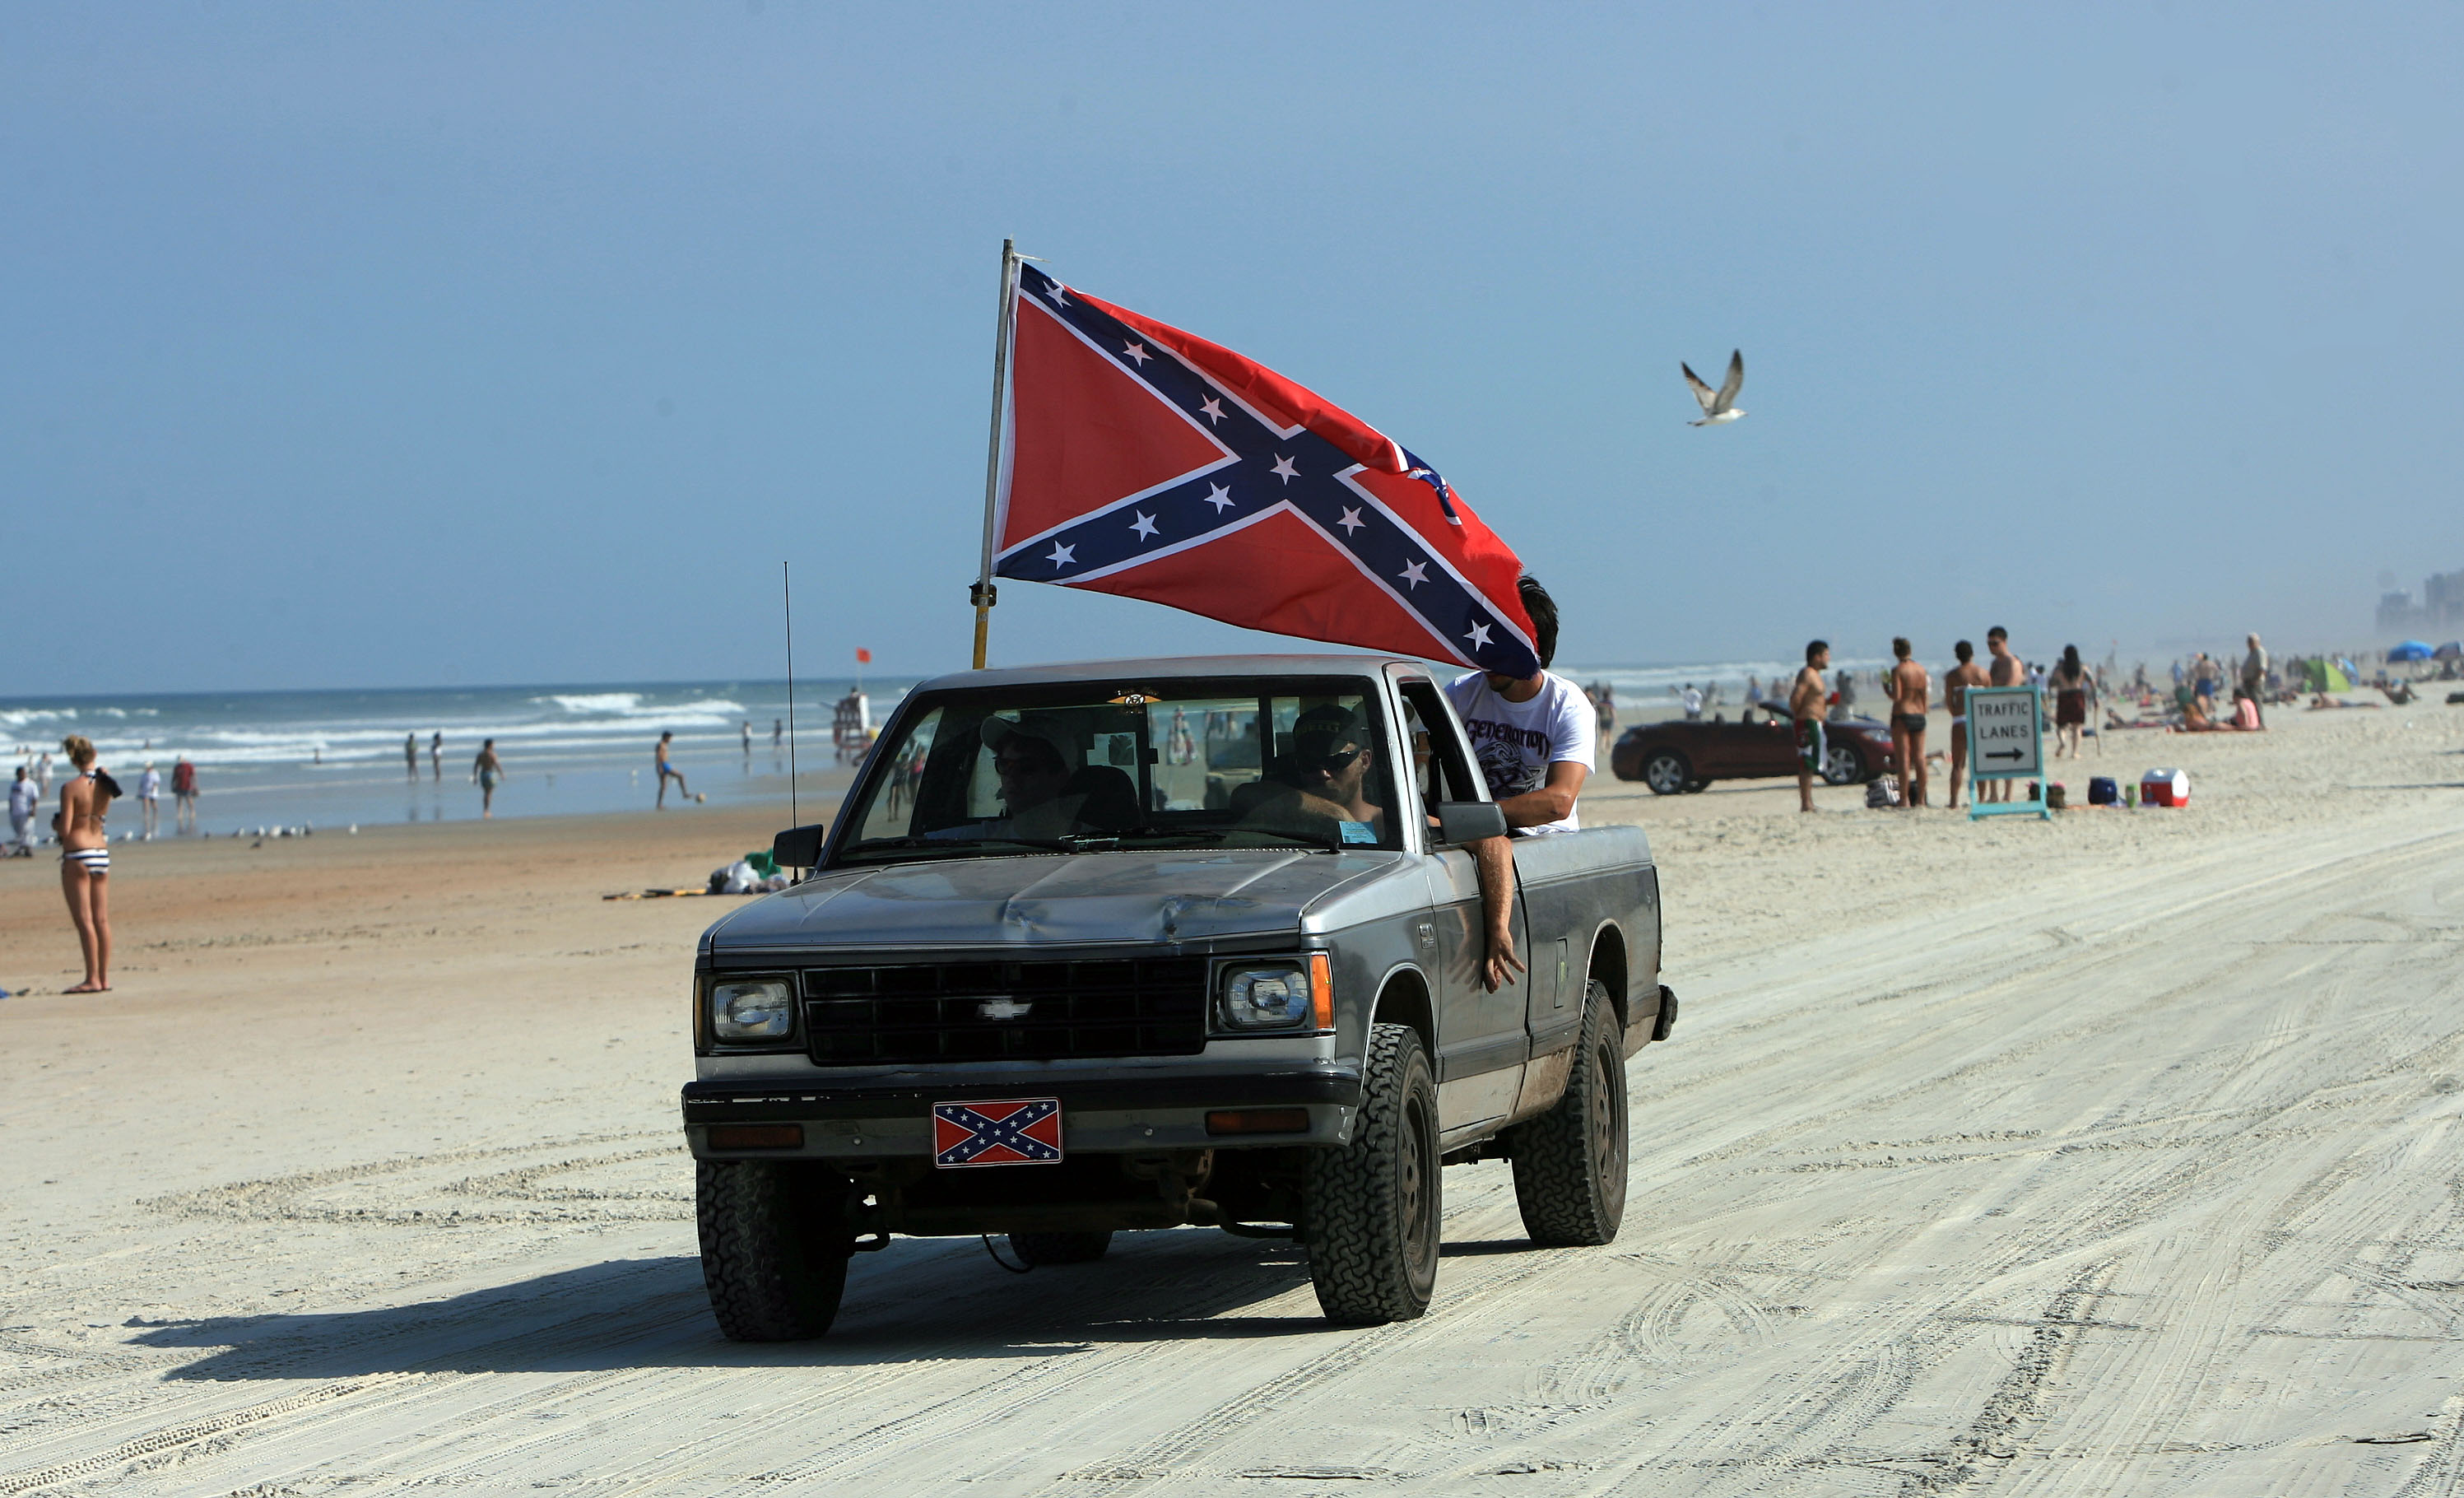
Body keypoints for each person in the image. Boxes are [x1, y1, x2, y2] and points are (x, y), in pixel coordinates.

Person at [1443, 576, 1590, 989]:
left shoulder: (1567, 705)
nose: (1485, 656)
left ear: (1532, 648)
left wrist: (1472, 817)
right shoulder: (1461, 694)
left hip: (1541, 843)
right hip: (1470, 836)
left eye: (1499, 644)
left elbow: (1559, 802)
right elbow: (1419, 763)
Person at [54, 735, 116, 993]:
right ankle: (103, 977)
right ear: (95, 753)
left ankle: (91, 978)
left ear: (73, 759)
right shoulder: (105, 785)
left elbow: (66, 830)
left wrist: (56, 825)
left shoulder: (70, 788)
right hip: (100, 851)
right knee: (102, 920)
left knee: (85, 920)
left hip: (78, 853)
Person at [1942, 640, 1987, 809]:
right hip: (1978, 719)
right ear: (1972, 654)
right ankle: (1982, 799)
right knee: (1980, 763)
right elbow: (1989, 698)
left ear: (1956, 655)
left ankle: (1954, 801)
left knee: (1958, 764)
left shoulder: (1953, 676)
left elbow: (1949, 702)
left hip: (1960, 719)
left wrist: (1956, 712)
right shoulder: (1983, 674)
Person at [1980, 626, 2022, 802]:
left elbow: (2011, 688)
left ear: (2004, 642)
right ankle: (1994, 793)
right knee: (1991, 752)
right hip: (1993, 712)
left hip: (2009, 713)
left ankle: (2008, 793)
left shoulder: (2013, 663)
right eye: (1989, 644)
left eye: (1995, 643)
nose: (1992, 647)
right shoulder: (1995, 663)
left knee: (2009, 754)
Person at [1888, 638, 1930, 809]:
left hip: (1902, 714)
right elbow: (1925, 696)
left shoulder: (1898, 670)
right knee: (1920, 757)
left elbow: (1897, 696)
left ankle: (1904, 799)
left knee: (1903, 758)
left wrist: (1886, 688)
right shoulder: (1921, 670)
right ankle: (1921, 799)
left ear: (1896, 652)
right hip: (1919, 713)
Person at [1789, 640, 1830, 812]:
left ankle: (1809, 802)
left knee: (1812, 762)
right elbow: (1796, 698)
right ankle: (1806, 803)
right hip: (1807, 722)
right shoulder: (1807, 674)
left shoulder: (1815, 674)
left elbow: (1812, 699)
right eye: (1826, 654)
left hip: (1814, 721)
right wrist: (1801, 715)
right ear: (1817, 657)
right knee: (1806, 762)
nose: (1829, 658)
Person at [2049, 644, 2092, 759]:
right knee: (2077, 727)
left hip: (2064, 695)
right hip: (2077, 695)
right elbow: (2092, 681)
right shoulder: (2082, 667)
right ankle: (2075, 752)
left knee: (2061, 725)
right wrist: (2094, 697)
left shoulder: (2059, 668)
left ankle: (2063, 742)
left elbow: (2052, 682)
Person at [655, 731, 700, 807]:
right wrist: (660, 767)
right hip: (663, 765)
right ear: (666, 737)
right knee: (680, 776)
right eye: (670, 738)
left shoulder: (664, 745)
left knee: (663, 786)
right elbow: (658, 756)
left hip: (665, 764)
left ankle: (659, 804)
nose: (670, 740)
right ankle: (685, 794)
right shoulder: (661, 745)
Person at [2237, 634, 2269, 729]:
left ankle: (2261, 723)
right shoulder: (2252, 653)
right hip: (2248, 682)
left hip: (2255, 682)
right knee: (2251, 703)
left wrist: (2255, 680)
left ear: (2257, 642)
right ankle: (2254, 723)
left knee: (2257, 702)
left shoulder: (2260, 652)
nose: (2249, 644)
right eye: (2249, 642)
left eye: (2251, 642)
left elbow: (2262, 668)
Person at [8, 765, 38, 856]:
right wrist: (11, 808)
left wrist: (33, 810)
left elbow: (35, 798)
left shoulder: (30, 784)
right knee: (18, 831)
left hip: (26, 811)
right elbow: (11, 798)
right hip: (15, 812)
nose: (22, 775)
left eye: (23, 773)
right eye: (20, 773)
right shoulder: (14, 784)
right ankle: (21, 848)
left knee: (27, 830)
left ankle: (28, 849)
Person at [472, 738, 505, 818]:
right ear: (490, 745)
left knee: (486, 793)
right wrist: (502, 774)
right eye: (493, 744)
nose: (494, 746)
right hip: (490, 774)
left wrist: (475, 777)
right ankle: (487, 810)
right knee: (489, 793)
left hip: (483, 774)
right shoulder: (492, 754)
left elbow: (476, 766)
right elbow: (497, 765)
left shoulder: (480, 754)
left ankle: (485, 810)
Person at [171, 755, 198, 834]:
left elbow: (193, 776)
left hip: (188, 786)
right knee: (179, 801)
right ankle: (180, 814)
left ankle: (192, 812)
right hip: (179, 786)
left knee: (189, 800)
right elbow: (174, 777)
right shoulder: (177, 767)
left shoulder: (189, 766)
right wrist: (173, 785)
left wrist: (195, 786)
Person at [137, 761, 162, 839]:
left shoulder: (155, 773)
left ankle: (155, 814)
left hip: (153, 792)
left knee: (153, 804)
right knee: (145, 803)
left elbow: (156, 782)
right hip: (145, 791)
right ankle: (146, 815)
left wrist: (153, 788)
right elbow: (141, 783)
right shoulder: (144, 774)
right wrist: (139, 790)